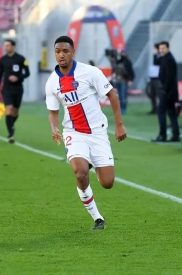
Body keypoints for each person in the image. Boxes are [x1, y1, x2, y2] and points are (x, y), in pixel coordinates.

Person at [45, 36, 127, 230]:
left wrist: (119, 124)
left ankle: (89, 161)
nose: (61, 55)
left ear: (73, 52)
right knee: (80, 173)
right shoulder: (52, 82)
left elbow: (112, 94)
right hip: (74, 132)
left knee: (107, 183)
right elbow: (53, 113)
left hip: (98, 132)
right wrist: (54, 129)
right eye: (57, 51)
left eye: (65, 51)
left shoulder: (90, 72)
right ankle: (98, 218)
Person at [0, 39, 30, 143]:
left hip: (18, 88)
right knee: (8, 109)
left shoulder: (21, 59)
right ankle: (11, 134)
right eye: (5, 46)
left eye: (8, 46)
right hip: (7, 88)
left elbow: (27, 73)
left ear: (13, 46)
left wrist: (18, 78)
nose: (6, 48)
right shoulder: (2, 60)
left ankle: (11, 124)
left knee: (15, 112)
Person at [152, 41, 180, 142]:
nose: (161, 50)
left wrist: (164, 90)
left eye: (163, 48)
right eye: (160, 48)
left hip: (167, 91)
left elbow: (170, 78)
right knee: (172, 113)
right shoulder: (165, 58)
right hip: (170, 91)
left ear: (168, 48)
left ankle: (162, 135)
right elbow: (155, 62)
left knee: (161, 112)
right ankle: (175, 135)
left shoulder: (169, 60)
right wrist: (155, 53)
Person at [112, 49, 134, 115]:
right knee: (120, 96)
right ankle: (120, 108)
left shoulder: (127, 62)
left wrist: (130, 79)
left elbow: (131, 71)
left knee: (123, 95)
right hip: (118, 80)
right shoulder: (118, 61)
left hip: (124, 80)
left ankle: (123, 108)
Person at [147, 43, 162, 114]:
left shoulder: (160, 56)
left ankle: (160, 108)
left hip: (157, 78)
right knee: (152, 94)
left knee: (158, 94)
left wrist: (156, 55)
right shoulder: (154, 56)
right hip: (152, 77)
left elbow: (157, 63)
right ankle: (154, 108)